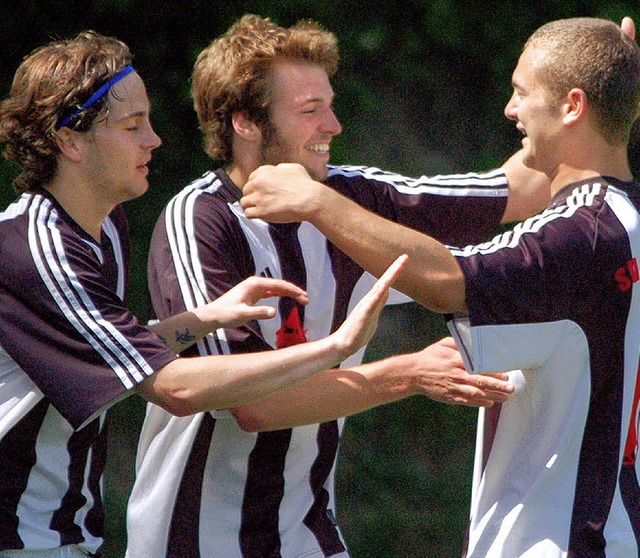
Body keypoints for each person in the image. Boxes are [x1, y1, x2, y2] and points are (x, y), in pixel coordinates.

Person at [125, 14, 555, 558]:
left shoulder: (350, 200)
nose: (333, 125)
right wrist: (407, 373)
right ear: (244, 123)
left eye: (329, 104)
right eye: (309, 111)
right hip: (194, 540)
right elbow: (251, 406)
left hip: (308, 534)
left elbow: (523, 189)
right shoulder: (201, 220)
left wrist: (589, 96)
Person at [242, 16, 640, 557]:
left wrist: (318, 203)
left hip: (565, 539)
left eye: (523, 92)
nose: (511, 109)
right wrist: (617, 87)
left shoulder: (580, 234)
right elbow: (520, 186)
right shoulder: (622, 222)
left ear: (572, 107)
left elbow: (446, 280)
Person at [0, 30, 404, 558]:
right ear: (69, 141)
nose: (154, 140)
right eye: (132, 125)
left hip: (63, 533)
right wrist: (336, 348)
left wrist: (202, 319)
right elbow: (172, 389)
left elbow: (110, 352)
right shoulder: (38, 247)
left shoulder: (102, 226)